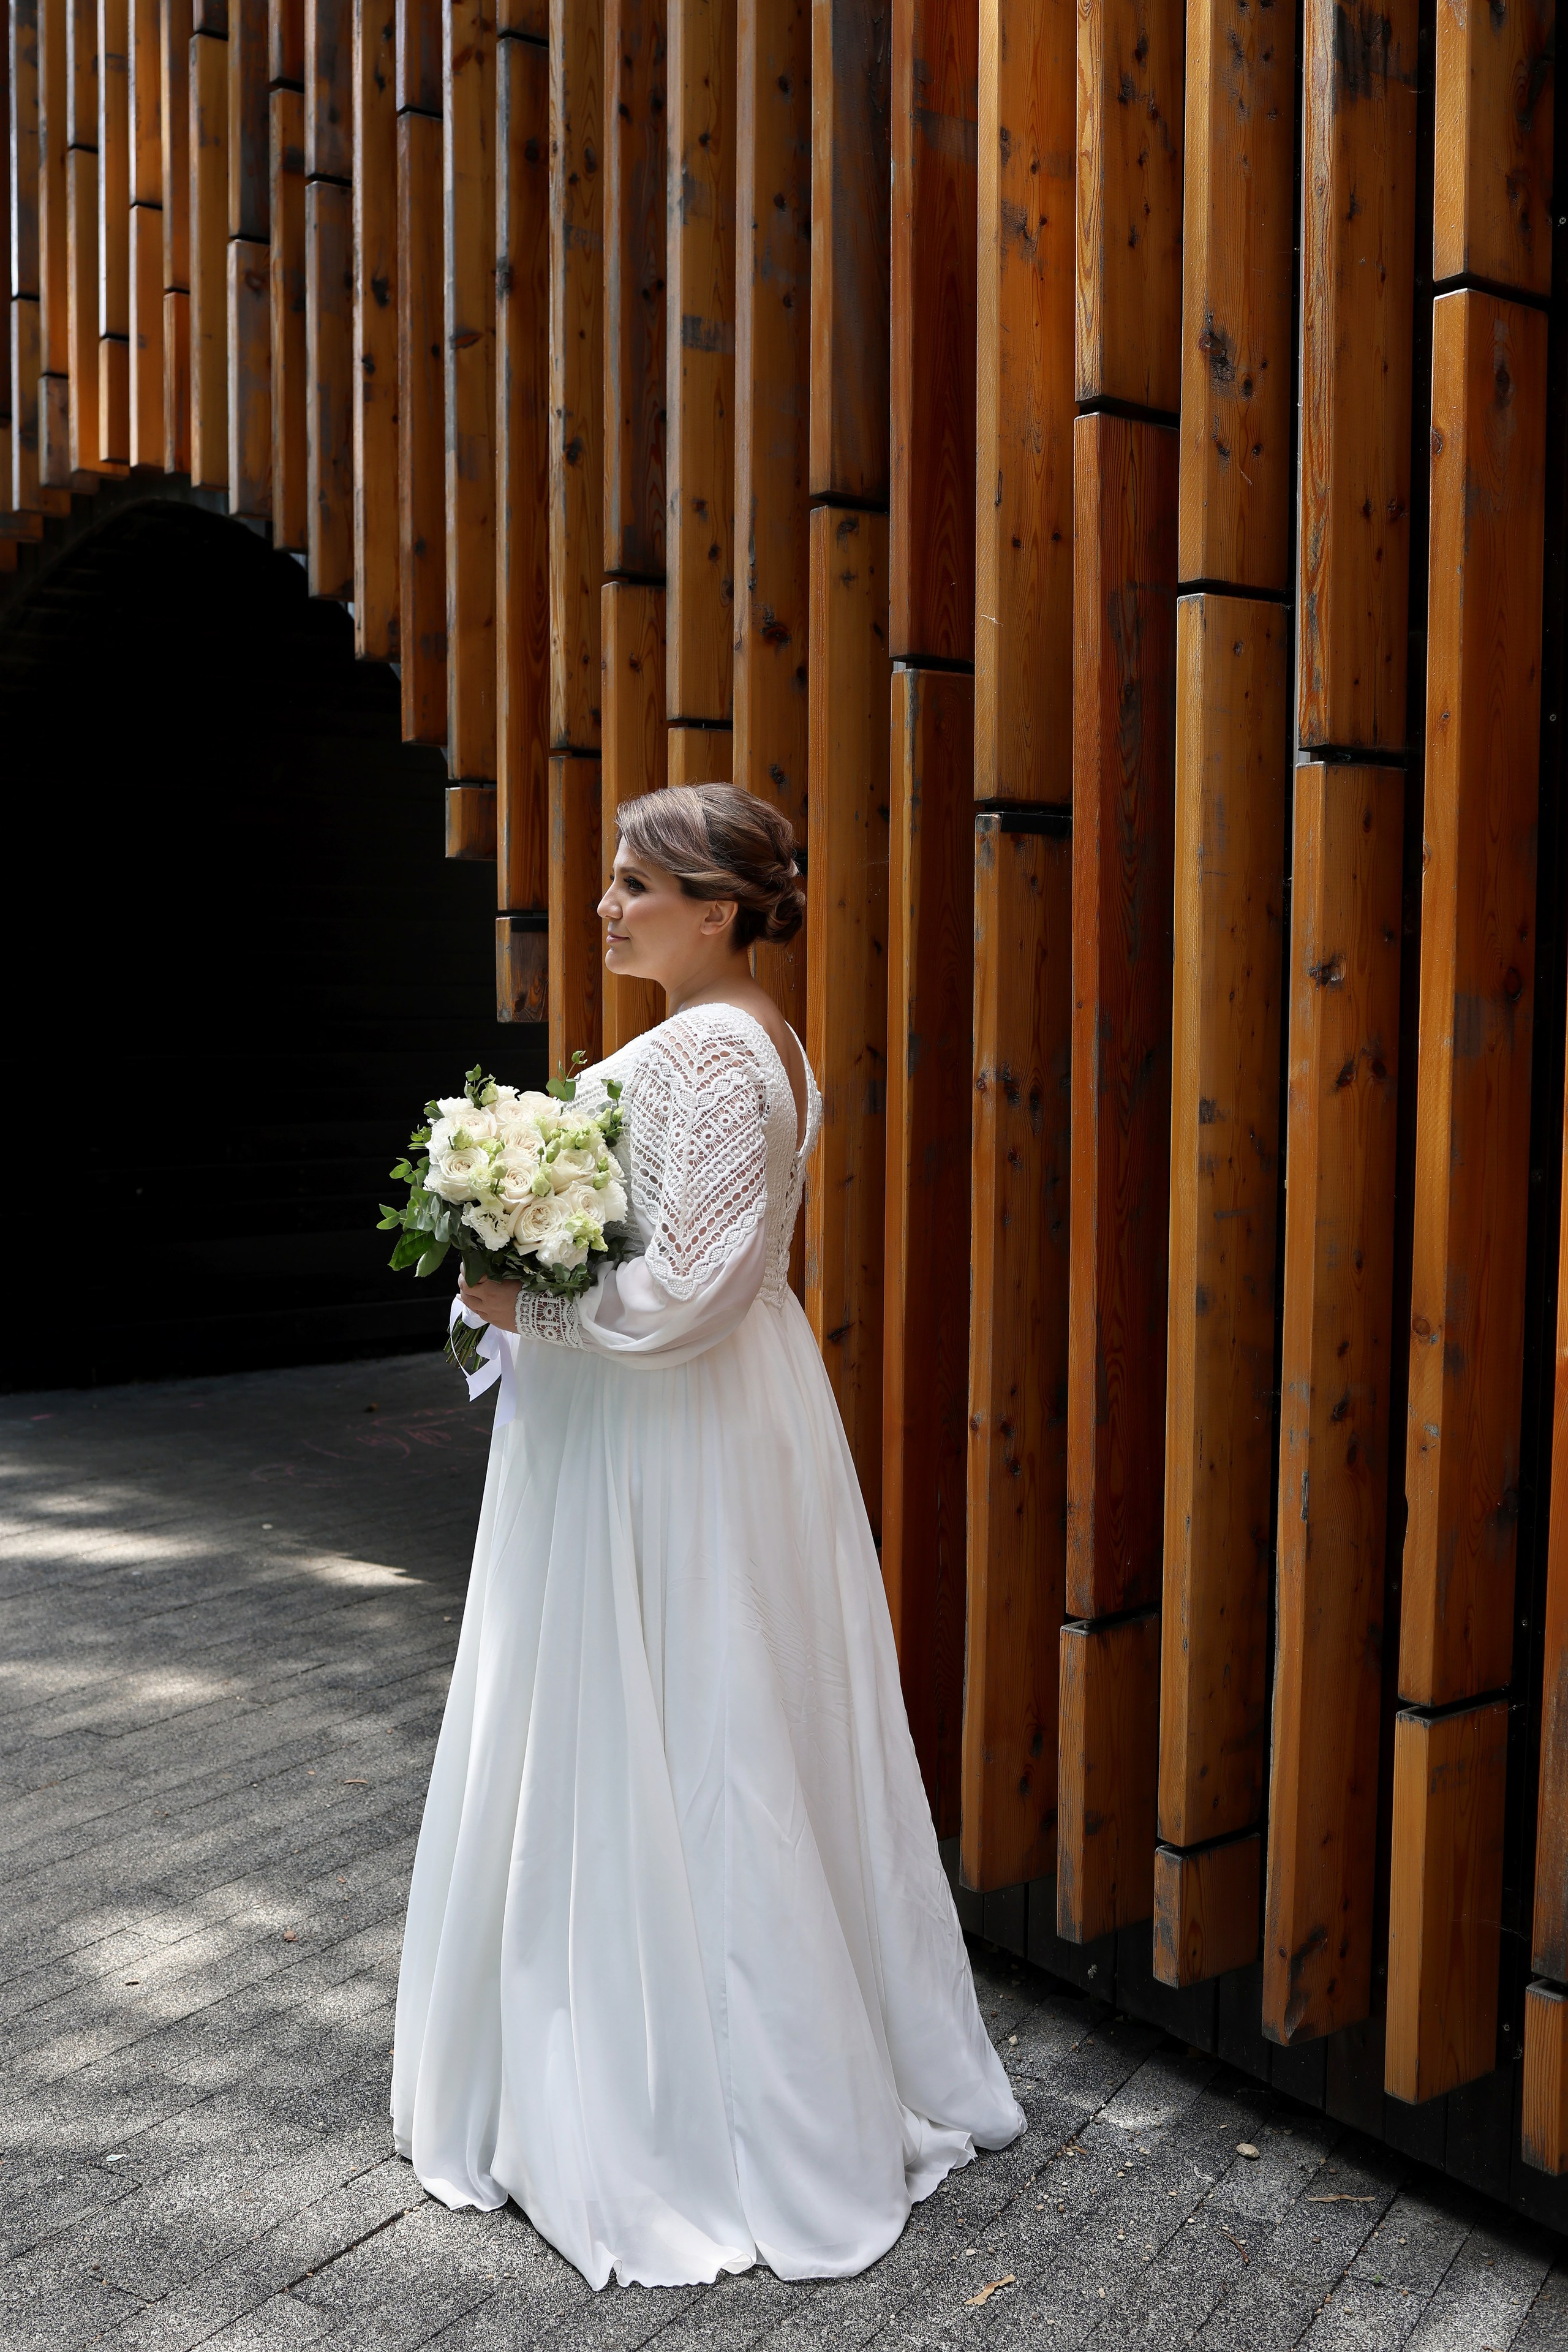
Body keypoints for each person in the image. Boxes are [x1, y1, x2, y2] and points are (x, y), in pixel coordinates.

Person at [391, 782, 1025, 2290]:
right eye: (613, 882)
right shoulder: (751, 1043)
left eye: (634, 884)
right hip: (689, 1414)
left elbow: (685, 1291)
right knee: (693, 1713)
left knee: (691, 1721)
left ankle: (691, 2094)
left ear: (719, 907)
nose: (604, 907)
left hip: (668, 1432)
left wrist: (518, 1297)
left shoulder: (710, 1055)